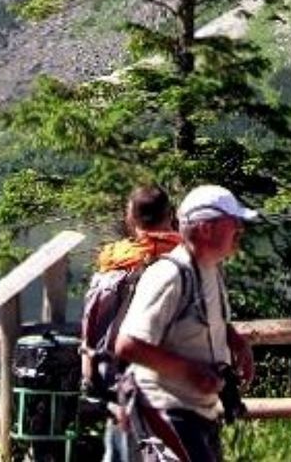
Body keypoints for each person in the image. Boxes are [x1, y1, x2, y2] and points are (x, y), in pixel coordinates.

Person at [115, 184, 257, 462]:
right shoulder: (168, 276)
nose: (240, 230)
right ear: (206, 229)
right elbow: (128, 344)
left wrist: (236, 342)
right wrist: (189, 372)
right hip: (166, 411)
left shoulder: (210, 268)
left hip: (198, 412)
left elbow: (210, 320)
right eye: (234, 225)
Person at [85, 185, 182, 462]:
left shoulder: (113, 261)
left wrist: (91, 371)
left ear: (130, 218)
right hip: (175, 375)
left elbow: (93, 323)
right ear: (170, 214)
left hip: (119, 377)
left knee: (121, 449)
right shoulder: (188, 259)